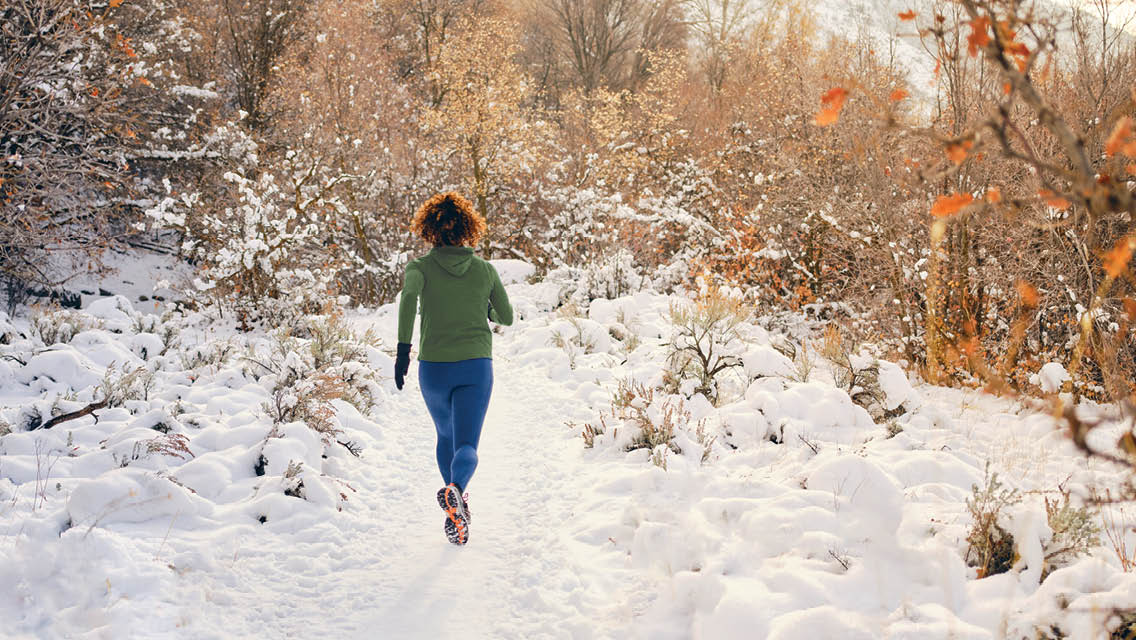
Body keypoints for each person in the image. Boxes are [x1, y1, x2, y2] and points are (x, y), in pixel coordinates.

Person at [393, 192, 514, 546]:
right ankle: (456, 491)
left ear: (428, 229)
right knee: (467, 443)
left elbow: (407, 301)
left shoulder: (419, 268)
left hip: (433, 368)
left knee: (445, 437)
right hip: (475, 366)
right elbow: (506, 316)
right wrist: (484, 310)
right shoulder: (485, 270)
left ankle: (456, 503)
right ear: (468, 229)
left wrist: (403, 351)